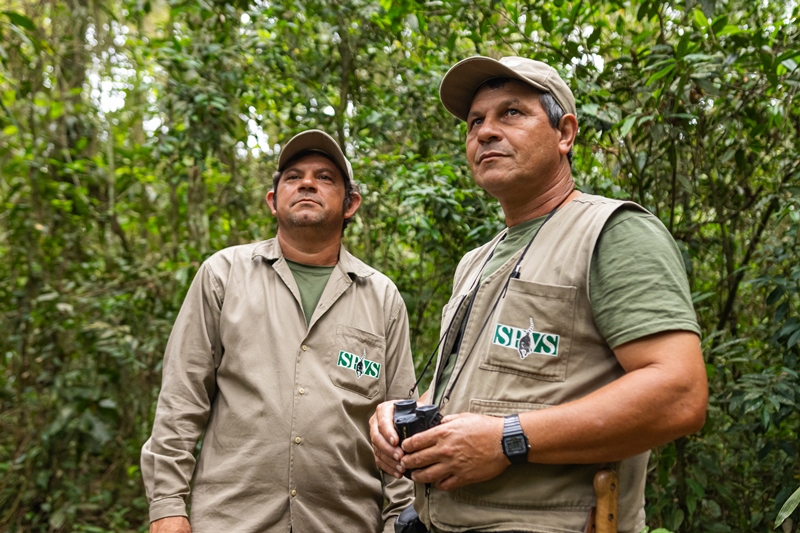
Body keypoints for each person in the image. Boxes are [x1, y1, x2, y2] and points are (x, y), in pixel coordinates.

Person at [370, 56, 709, 533]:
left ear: (564, 133)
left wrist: (507, 440)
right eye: (475, 122)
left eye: (511, 113)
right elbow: (481, 388)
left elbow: (679, 393)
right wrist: (399, 414)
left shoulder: (612, 233)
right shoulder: (476, 261)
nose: (485, 131)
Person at [142, 129, 415, 533]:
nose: (307, 183)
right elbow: (181, 398)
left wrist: (400, 519)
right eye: (293, 176)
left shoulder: (381, 296)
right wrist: (167, 506)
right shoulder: (223, 274)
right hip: (229, 520)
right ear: (273, 201)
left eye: (325, 177)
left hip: (345, 523)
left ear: (350, 203)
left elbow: (398, 426)